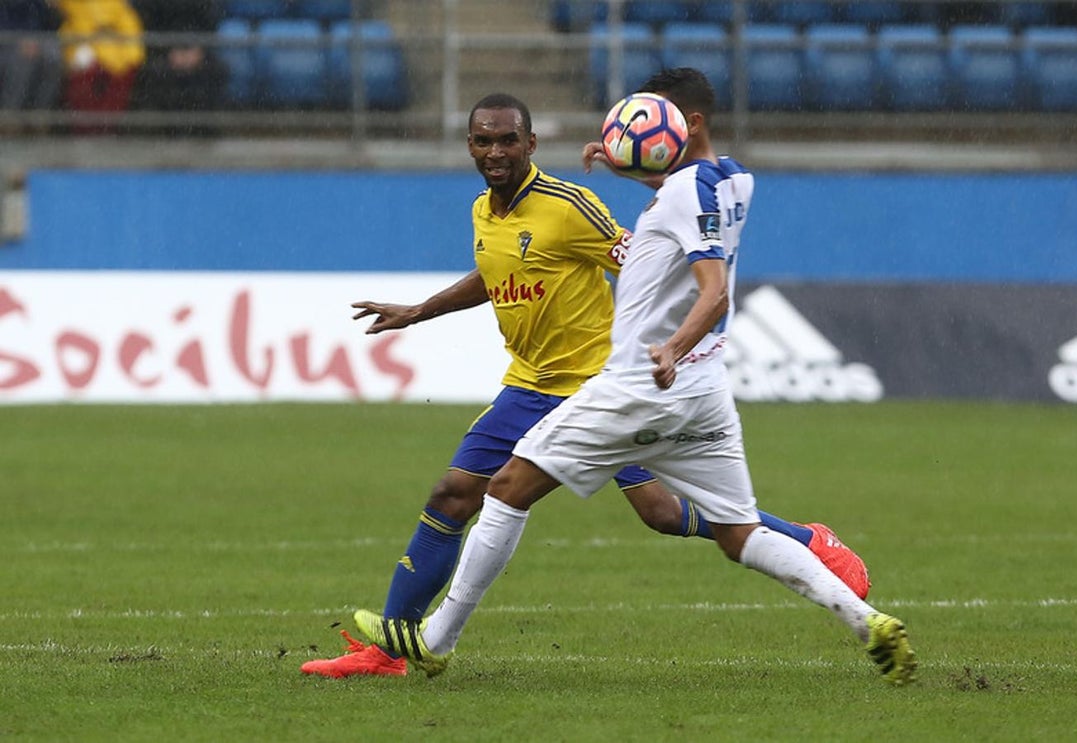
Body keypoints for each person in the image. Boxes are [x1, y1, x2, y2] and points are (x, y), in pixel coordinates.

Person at [352, 68, 917, 686]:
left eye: (507, 140)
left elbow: (658, 258)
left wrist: (667, 337)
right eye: (483, 141)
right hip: (557, 383)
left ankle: (434, 640)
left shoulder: (577, 206)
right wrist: (417, 312)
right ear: (468, 145)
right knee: (456, 494)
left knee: (569, 499)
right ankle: (863, 617)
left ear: (530, 144)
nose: (494, 151)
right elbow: (499, 271)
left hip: (616, 381)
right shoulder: (732, 180)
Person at [131, 0, 227, 136]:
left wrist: (198, 48)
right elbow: (145, 21)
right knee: (156, 72)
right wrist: (167, 49)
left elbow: (209, 19)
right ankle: (167, 130)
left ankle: (202, 129)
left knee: (216, 70)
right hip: (160, 50)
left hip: (198, 50)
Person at [56, 0, 144, 134]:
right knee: (83, 76)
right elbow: (74, 20)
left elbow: (129, 25)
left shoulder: (117, 5)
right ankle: (84, 128)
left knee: (121, 79)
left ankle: (106, 127)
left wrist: (132, 54)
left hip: (115, 51)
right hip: (83, 46)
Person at [0, 0, 62, 114]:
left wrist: (53, 9)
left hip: (36, 38)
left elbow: (49, 23)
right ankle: (9, 115)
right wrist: (21, 39)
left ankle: (39, 116)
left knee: (53, 57)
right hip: (7, 40)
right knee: (23, 61)